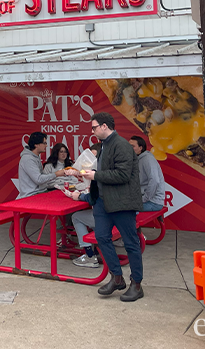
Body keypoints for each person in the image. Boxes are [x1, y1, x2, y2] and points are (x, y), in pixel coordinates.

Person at [69, 112, 144, 302]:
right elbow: (107, 172)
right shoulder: (105, 145)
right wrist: (93, 175)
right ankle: (116, 277)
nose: (92, 130)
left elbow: (123, 175)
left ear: (104, 126)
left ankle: (137, 284)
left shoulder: (121, 146)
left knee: (130, 243)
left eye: (94, 127)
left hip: (122, 203)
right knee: (101, 238)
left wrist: (95, 176)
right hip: (104, 201)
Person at [70, 143, 101, 269]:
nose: (89, 162)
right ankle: (98, 251)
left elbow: (94, 198)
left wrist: (79, 197)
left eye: (92, 157)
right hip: (118, 216)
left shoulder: (98, 173)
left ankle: (89, 256)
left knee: (76, 216)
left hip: (106, 217)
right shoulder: (110, 170)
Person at [16, 132, 66, 199]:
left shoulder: (35, 157)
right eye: (44, 143)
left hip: (40, 192)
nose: (46, 145)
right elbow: (39, 179)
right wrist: (56, 174)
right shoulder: (28, 159)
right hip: (32, 196)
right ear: (36, 144)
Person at [128, 136, 165, 212]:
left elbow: (155, 181)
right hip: (144, 200)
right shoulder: (136, 159)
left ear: (140, 148)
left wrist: (144, 199)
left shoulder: (147, 159)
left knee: (123, 210)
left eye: (132, 146)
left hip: (153, 202)